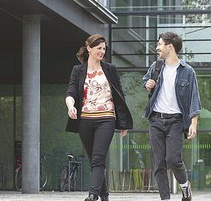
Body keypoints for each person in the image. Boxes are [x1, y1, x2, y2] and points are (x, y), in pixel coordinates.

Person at [65, 34, 133, 201]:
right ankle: (104, 195)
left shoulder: (110, 69)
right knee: (95, 161)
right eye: (99, 48)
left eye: (104, 48)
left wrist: (123, 122)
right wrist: (70, 106)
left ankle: (92, 195)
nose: (102, 51)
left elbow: (120, 96)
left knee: (98, 158)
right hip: (85, 120)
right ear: (89, 48)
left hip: (106, 119)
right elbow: (71, 92)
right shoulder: (78, 70)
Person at [142, 31, 201, 201]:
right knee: (159, 163)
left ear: (170, 46)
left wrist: (193, 123)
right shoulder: (156, 66)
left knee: (173, 159)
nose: (157, 47)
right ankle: (165, 199)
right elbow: (145, 81)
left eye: (160, 44)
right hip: (155, 119)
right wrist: (148, 84)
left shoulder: (187, 71)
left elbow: (194, 98)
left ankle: (185, 187)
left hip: (175, 121)